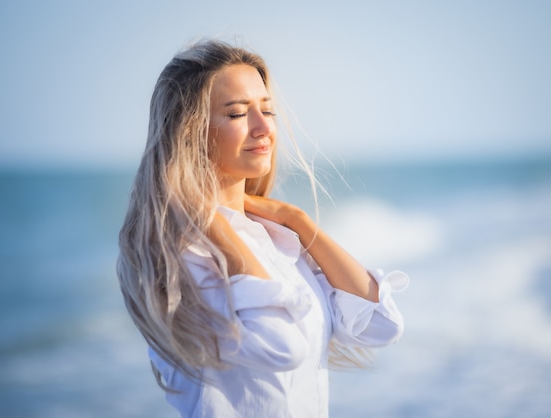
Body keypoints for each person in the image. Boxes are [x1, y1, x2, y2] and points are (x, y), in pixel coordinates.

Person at [117, 39, 409, 418]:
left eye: (266, 110)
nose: (262, 128)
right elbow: (282, 346)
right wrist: (216, 225)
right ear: (190, 131)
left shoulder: (278, 238)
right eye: (237, 114)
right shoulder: (181, 249)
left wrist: (297, 221)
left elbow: (381, 326)